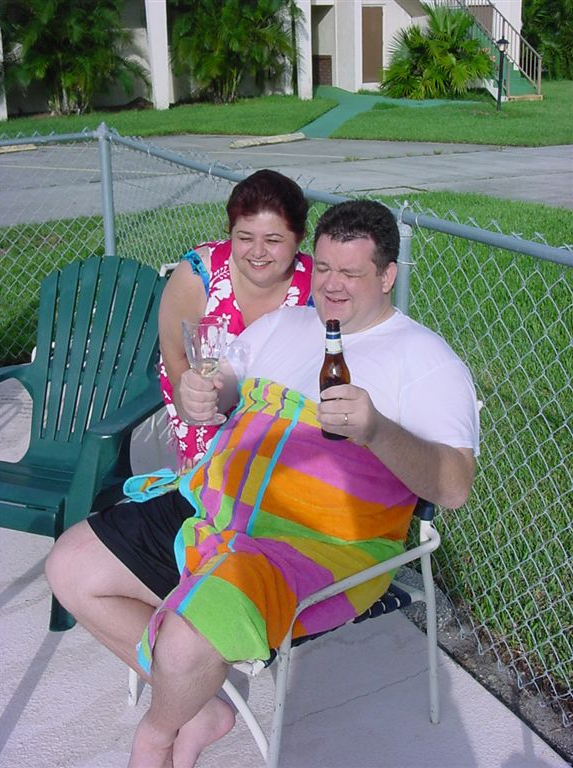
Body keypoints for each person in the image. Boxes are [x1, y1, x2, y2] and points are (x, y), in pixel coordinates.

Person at [46, 200, 480, 768]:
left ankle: (157, 732)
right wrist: (201, 395)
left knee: (186, 641)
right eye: (324, 267)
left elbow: (453, 487)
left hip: (309, 544)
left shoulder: (426, 361)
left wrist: (376, 430)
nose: (332, 285)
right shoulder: (286, 325)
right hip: (213, 507)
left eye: (351, 273)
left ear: (387, 275)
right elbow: (223, 389)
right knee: (69, 566)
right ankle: (199, 708)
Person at [158, 168, 313, 468]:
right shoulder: (197, 277)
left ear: (299, 238)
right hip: (202, 417)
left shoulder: (317, 288)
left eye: (273, 240)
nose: (258, 252)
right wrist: (192, 407)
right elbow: (175, 355)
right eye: (244, 237)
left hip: (281, 426)